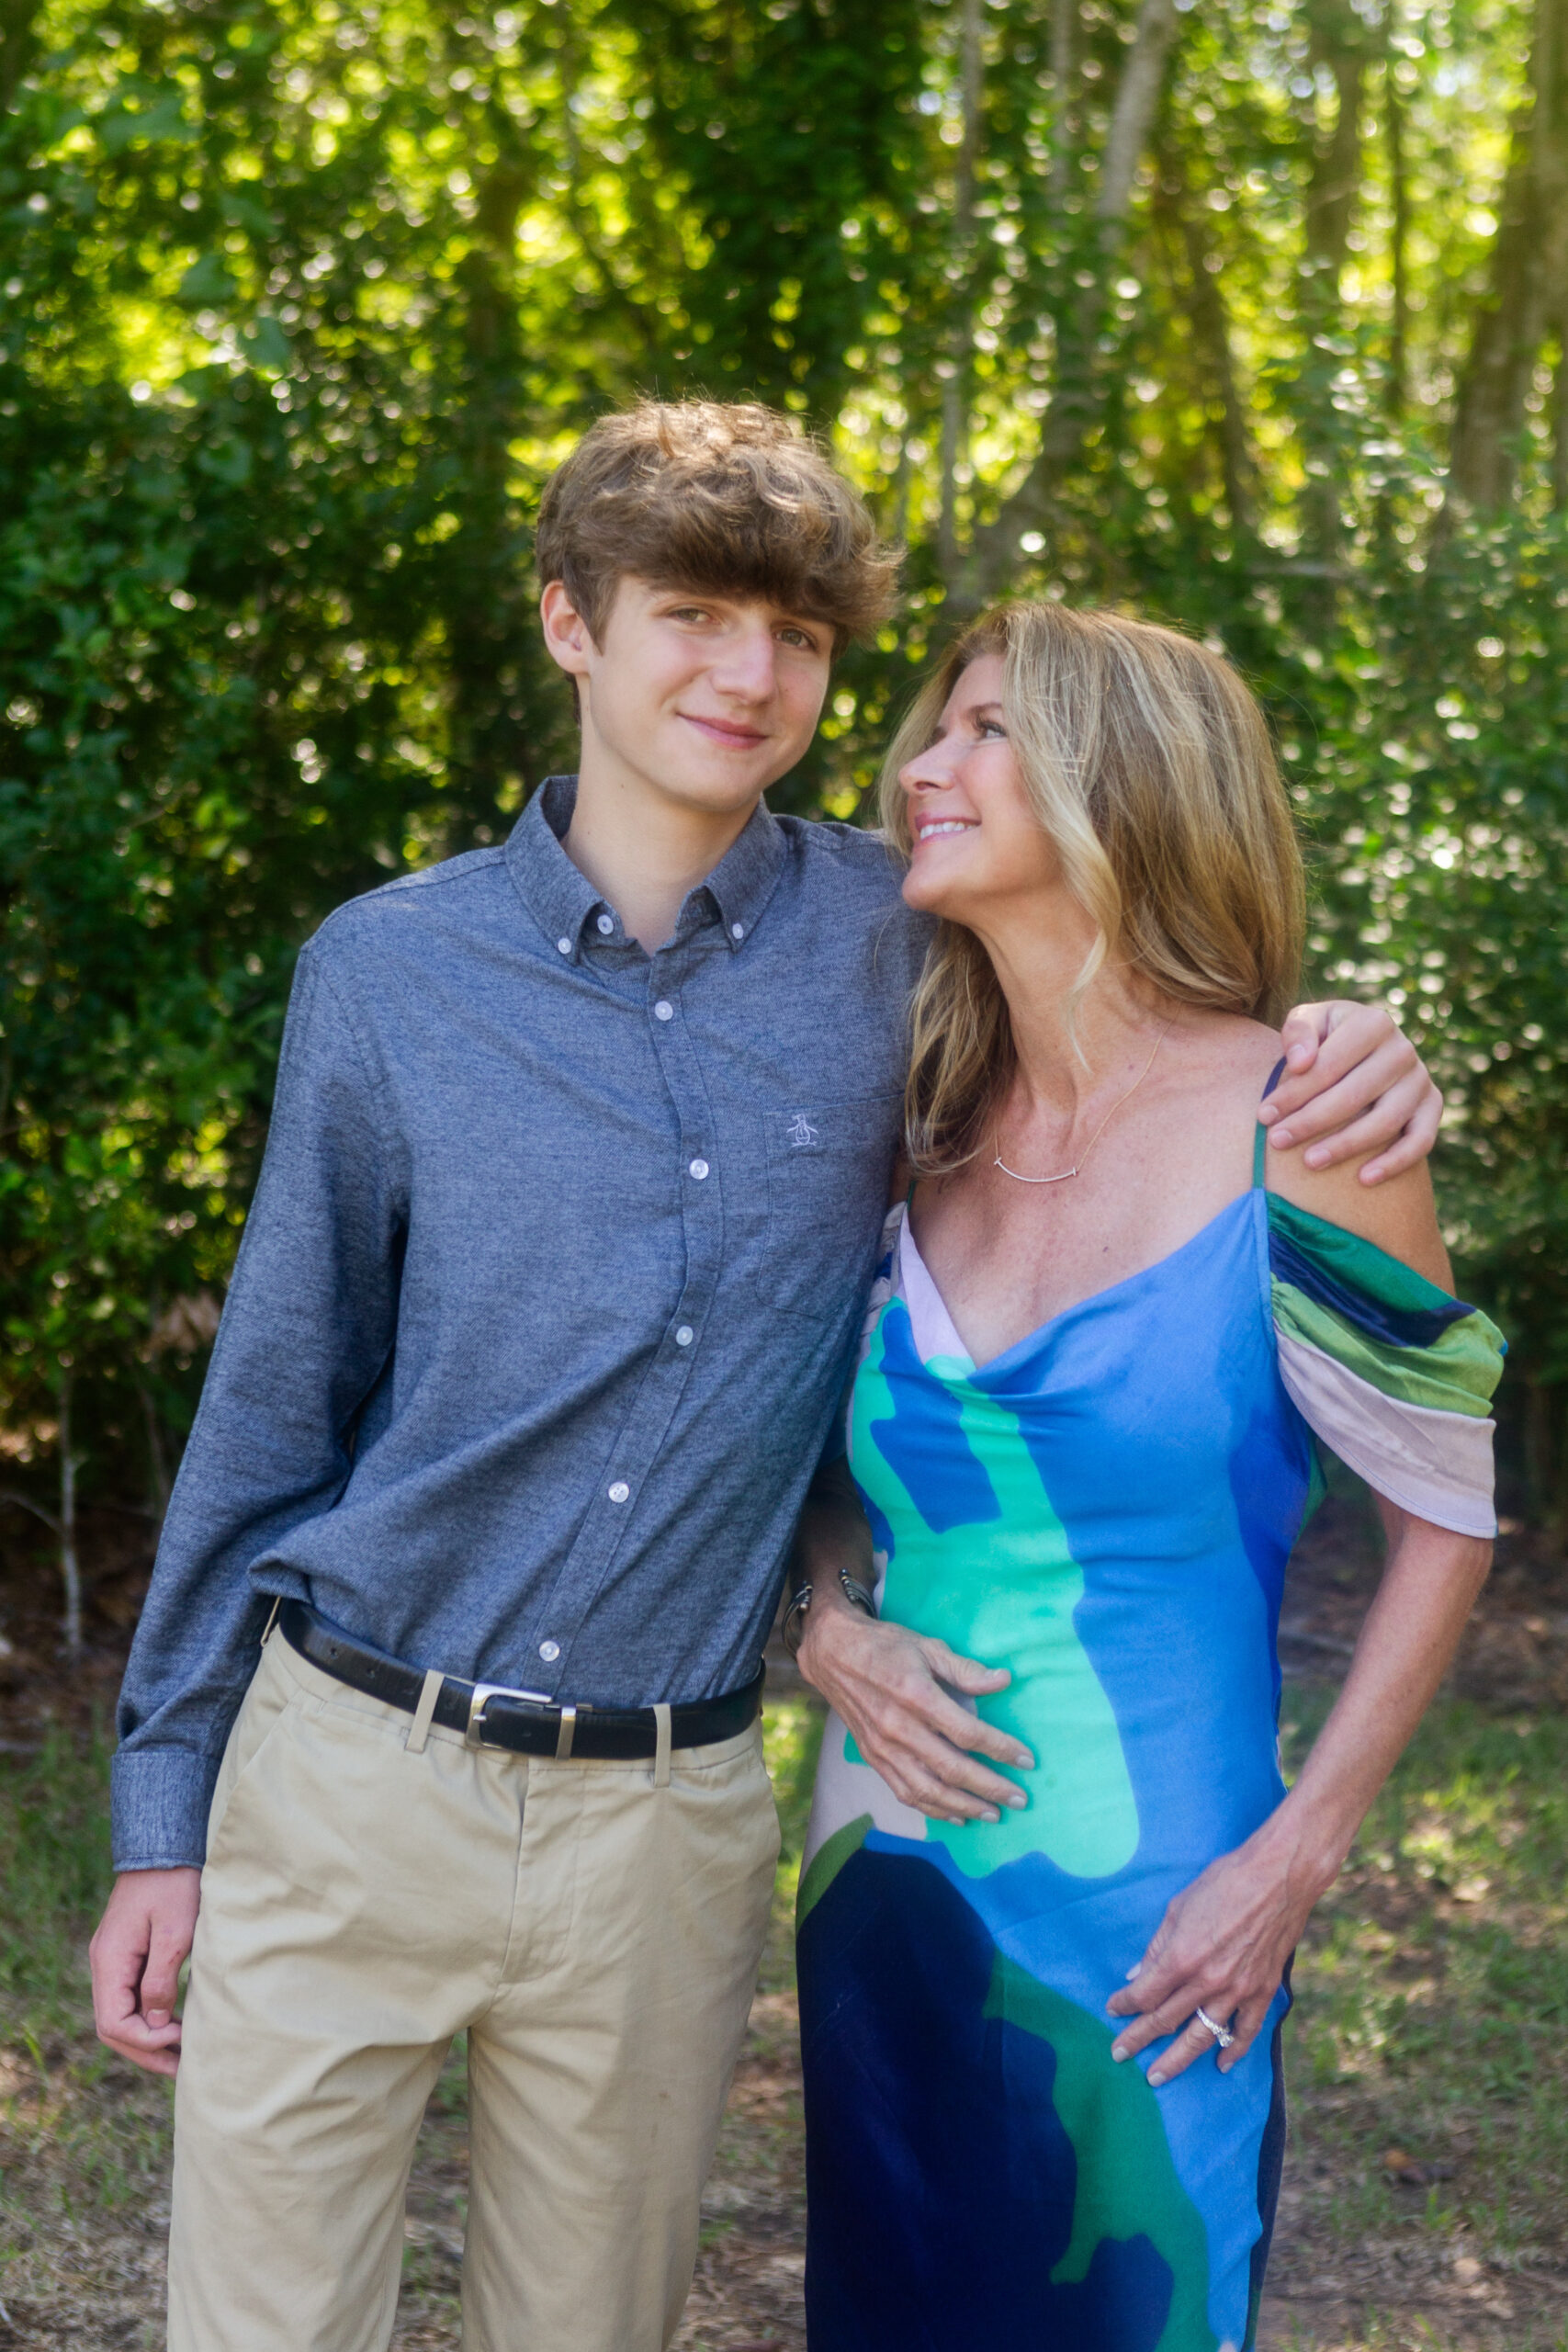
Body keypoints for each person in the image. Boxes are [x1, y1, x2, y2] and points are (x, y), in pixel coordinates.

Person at [89, 402, 1441, 2352]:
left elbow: (1121, 1023)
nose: (749, 673)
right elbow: (273, 1411)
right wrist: (162, 1812)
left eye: (798, 636)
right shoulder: (386, 975)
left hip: (668, 1814)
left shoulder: (904, 940)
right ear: (570, 622)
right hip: (353, 1768)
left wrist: (1350, 1038)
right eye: (694, 616)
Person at [790, 603, 1503, 2352]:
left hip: (1162, 1911)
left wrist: (1295, 1859)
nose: (924, 766)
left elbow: (1446, 1520)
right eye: (936, 728)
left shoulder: (1309, 1126)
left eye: (986, 732)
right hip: (879, 1878)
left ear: (1123, 784)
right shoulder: (909, 1123)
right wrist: (825, 1624)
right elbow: (805, 1463)